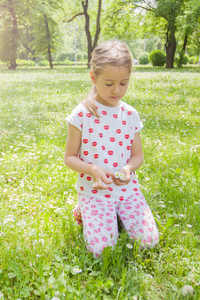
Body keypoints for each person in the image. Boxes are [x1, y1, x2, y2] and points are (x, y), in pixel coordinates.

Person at [64, 40, 159, 257]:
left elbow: (137, 156)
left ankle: (117, 215)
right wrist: (92, 170)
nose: (117, 90)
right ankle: (84, 210)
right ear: (93, 77)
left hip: (127, 190)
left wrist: (127, 170)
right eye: (108, 84)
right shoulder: (81, 115)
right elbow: (69, 157)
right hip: (95, 192)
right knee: (102, 251)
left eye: (123, 83)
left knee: (149, 242)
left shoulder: (130, 114)